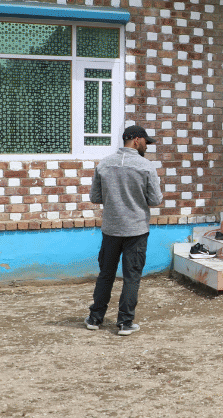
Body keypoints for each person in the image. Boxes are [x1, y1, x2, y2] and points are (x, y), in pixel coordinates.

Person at [85, 124, 163, 336]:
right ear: (136, 140)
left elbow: (95, 197)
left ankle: (95, 318)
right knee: (132, 276)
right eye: (146, 142)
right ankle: (125, 323)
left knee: (106, 275)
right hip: (136, 231)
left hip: (111, 229)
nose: (147, 146)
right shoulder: (145, 166)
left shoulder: (104, 164)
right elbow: (156, 200)